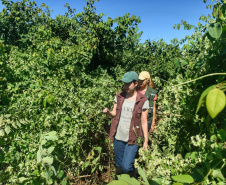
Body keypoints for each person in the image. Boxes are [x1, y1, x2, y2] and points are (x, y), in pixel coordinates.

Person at [102, 71, 149, 179]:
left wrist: (145, 141)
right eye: (124, 83)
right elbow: (114, 113)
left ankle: (133, 177)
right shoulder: (119, 96)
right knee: (118, 166)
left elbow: (144, 121)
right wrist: (108, 112)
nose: (125, 86)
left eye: (128, 83)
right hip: (118, 137)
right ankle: (121, 181)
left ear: (136, 83)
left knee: (126, 167)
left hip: (133, 138)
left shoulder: (143, 100)